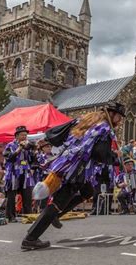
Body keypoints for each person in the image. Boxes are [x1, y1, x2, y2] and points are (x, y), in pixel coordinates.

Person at [21, 101, 125, 250]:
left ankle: (57, 215)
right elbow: (100, 154)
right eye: (119, 117)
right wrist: (115, 157)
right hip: (77, 168)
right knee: (59, 201)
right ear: (113, 114)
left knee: (87, 191)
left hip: (68, 162)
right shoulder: (105, 128)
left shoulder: (86, 120)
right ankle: (31, 238)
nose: (120, 121)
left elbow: (62, 132)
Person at [3, 126, 36, 223]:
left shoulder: (28, 145)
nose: (25, 137)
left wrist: (34, 150)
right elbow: (9, 158)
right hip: (13, 172)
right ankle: (11, 216)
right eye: (22, 135)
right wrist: (19, 148)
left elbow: (32, 159)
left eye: (26, 135)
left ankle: (28, 216)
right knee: (11, 196)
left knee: (27, 195)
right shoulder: (10, 145)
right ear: (17, 136)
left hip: (25, 172)